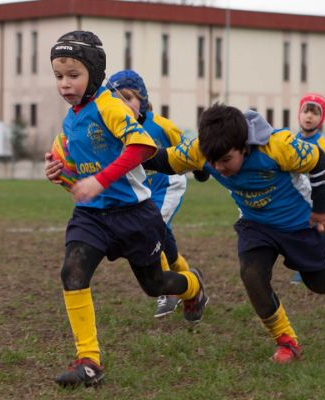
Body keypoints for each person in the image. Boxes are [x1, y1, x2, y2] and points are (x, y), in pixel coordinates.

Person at [45, 31, 208, 389]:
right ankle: (89, 361)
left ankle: (193, 286)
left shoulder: (109, 105)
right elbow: (79, 175)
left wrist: (100, 181)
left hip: (134, 214)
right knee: (72, 272)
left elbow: (142, 145)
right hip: (92, 216)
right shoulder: (72, 118)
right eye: (59, 76)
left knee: (156, 285)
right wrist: (61, 174)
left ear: (94, 73)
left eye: (73, 75)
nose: (65, 84)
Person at [143, 103, 325, 364]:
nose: (219, 168)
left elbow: (320, 162)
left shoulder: (278, 146)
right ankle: (286, 341)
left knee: (324, 283)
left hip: (300, 223)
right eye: (213, 162)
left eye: (226, 160)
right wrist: (128, 151)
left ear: (244, 148)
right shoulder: (201, 150)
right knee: (251, 275)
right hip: (255, 225)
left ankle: (303, 260)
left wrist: (323, 210)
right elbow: (164, 160)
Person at [105, 69, 208, 318]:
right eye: (117, 100)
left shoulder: (160, 125)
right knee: (168, 248)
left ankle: (168, 291)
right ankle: (193, 287)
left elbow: (187, 147)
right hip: (145, 194)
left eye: (129, 98)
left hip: (168, 185)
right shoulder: (114, 129)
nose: (124, 105)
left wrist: (201, 168)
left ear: (143, 99)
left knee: (149, 230)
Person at [290, 93, 325, 285]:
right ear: (299, 114)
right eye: (306, 111)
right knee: (298, 230)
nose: (309, 116)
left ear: (320, 119)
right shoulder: (291, 139)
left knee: (317, 230)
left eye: (315, 113)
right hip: (295, 194)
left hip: (314, 196)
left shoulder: (321, 144)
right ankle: (305, 266)